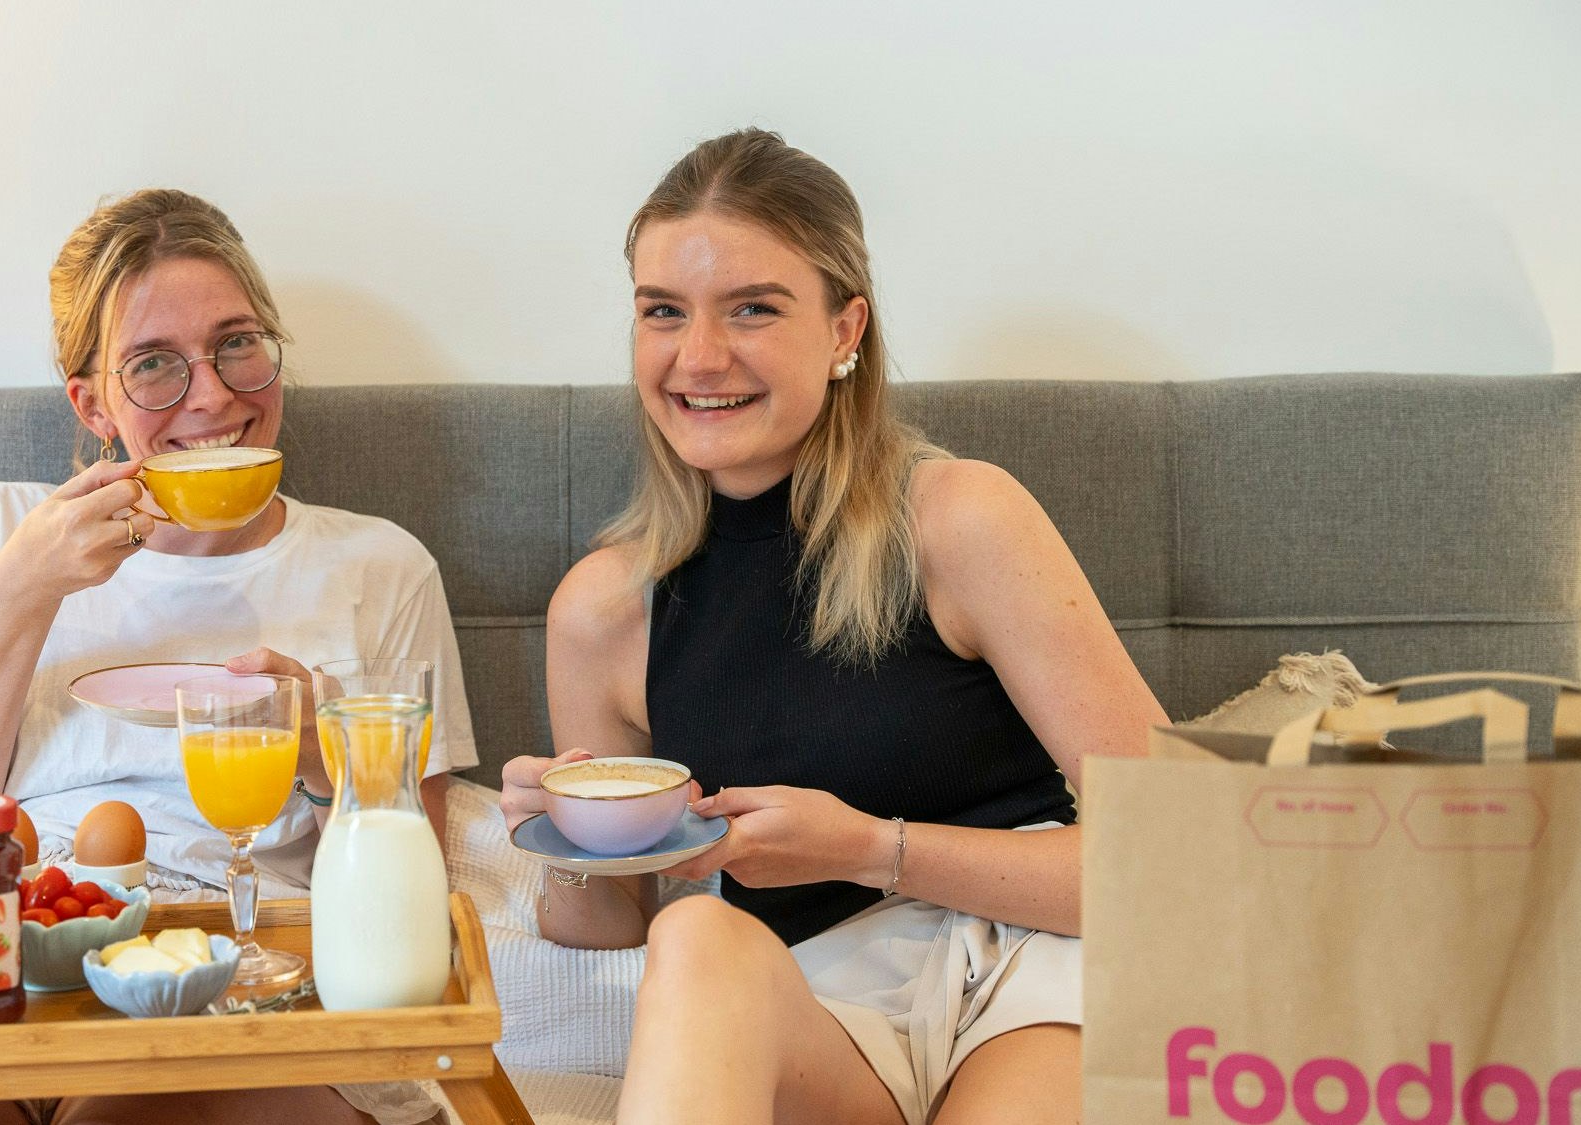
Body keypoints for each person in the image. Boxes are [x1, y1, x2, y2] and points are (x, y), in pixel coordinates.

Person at [499, 130, 1168, 1125]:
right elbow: (613, 929)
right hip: (826, 1003)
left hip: (1030, 964)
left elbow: (1183, 859)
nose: (699, 357)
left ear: (844, 327)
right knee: (693, 943)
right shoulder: (602, 610)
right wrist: (559, 840)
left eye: (753, 310)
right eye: (662, 313)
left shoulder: (958, 519)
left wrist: (871, 848)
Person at [0, 189, 471, 1125]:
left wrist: (320, 749)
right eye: (154, 365)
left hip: (236, 972)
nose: (215, 394)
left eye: (237, 342)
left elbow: (420, 875)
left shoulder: (380, 565)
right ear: (92, 402)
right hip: (3, 957)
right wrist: (24, 594)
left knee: (134, 1108)